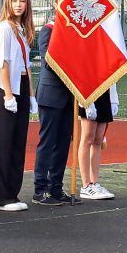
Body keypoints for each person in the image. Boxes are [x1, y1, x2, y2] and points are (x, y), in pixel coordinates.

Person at [0, 0, 37, 212]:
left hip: (22, 87)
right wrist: (8, 95)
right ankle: (0, 197)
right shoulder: (4, 29)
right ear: (8, 3)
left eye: (23, 1)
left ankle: (12, 193)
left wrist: (31, 95)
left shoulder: (21, 29)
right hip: (6, 90)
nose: (19, 5)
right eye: (15, 0)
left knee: (18, 144)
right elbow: (3, 63)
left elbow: (27, 66)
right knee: (4, 143)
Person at [31, 19, 80, 206]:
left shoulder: (75, 31)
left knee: (62, 144)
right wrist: (73, 62)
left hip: (69, 96)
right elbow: (49, 61)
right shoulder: (48, 29)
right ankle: (40, 189)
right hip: (51, 94)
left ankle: (56, 188)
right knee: (48, 142)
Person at [77, 85, 119, 200]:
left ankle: (94, 182)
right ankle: (86, 185)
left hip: (104, 94)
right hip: (89, 95)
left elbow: (111, 77)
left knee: (98, 140)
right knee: (88, 139)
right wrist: (86, 102)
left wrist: (114, 100)